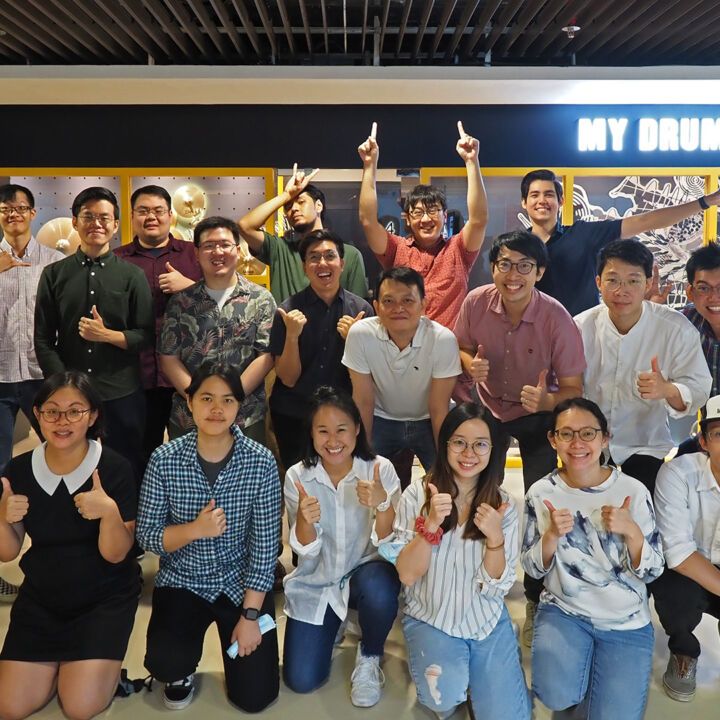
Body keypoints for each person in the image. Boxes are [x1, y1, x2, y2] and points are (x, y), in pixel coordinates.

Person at [454, 229, 585, 645]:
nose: (513, 274)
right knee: (475, 495)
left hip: (536, 418)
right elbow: (458, 346)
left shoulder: (556, 318)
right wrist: (468, 366)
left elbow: (574, 390)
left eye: (524, 266)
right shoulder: (476, 302)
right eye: (505, 264)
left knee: (540, 504)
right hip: (490, 411)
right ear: (492, 268)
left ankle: (536, 596)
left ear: (539, 272)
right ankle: (471, 580)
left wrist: (546, 401)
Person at [137, 361, 281, 712]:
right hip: (183, 579)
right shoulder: (164, 459)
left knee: (256, 696)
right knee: (166, 661)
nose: (216, 410)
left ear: (239, 406)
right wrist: (194, 530)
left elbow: (265, 548)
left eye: (227, 401)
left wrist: (250, 617)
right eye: (206, 399)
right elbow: (147, 535)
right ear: (189, 402)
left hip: (238, 581)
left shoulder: (260, 462)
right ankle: (180, 670)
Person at [0, 371, 140, 720]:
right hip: (42, 598)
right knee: (9, 706)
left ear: (92, 416)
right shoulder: (18, 469)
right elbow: (7, 551)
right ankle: (62, 666)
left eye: (75, 411)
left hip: (103, 599)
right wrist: (2, 517)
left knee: (79, 707)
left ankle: (88, 668)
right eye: (52, 411)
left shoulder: (114, 468)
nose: (62, 421)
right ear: (38, 414)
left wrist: (109, 513)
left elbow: (116, 554)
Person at [522, 397, 664, 720]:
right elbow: (531, 567)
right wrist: (550, 538)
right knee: (555, 694)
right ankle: (579, 670)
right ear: (552, 440)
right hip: (565, 612)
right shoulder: (541, 493)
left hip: (625, 621)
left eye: (588, 433)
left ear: (605, 438)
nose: (577, 444)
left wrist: (632, 533)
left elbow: (654, 569)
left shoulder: (634, 490)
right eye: (566, 434)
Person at [393, 403, 530, 719]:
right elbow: (407, 575)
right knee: (442, 700)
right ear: (444, 445)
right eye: (459, 442)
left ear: (494, 449)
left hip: (484, 620)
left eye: (480, 443)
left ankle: (482, 670)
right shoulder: (418, 494)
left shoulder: (504, 504)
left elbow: (498, 584)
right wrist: (429, 527)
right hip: (432, 617)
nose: (469, 452)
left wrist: (495, 538)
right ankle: (464, 675)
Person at [282, 386, 400, 707]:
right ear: (311, 433)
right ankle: (335, 620)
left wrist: (383, 503)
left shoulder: (379, 470)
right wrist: (304, 522)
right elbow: (304, 551)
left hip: (366, 573)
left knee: (381, 585)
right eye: (323, 431)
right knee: (301, 680)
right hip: (317, 582)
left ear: (357, 430)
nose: (333, 441)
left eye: (341, 430)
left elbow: (391, 547)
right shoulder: (298, 477)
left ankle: (370, 655)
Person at [34, 187, 154, 480]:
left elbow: (146, 336)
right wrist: (64, 384)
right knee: (73, 468)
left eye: (104, 217)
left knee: (127, 468)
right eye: (88, 216)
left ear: (115, 226)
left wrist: (108, 335)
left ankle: (127, 525)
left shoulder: (132, 275)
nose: (96, 224)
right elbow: (43, 339)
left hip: (121, 392)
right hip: (70, 398)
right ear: (74, 222)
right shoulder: (54, 274)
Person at [575, 239, 711, 494]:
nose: (621, 290)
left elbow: (699, 387)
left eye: (633, 281)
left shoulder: (675, 328)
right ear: (598, 283)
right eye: (612, 280)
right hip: (587, 446)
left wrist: (668, 389)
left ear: (648, 283)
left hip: (645, 446)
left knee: (641, 518)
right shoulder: (580, 327)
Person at [522, 168, 720, 316]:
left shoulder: (583, 234)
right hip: (535, 337)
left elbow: (644, 221)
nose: (542, 200)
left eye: (549, 194)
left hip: (581, 336)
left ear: (561, 201)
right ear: (524, 202)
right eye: (534, 195)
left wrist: (707, 201)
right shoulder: (518, 248)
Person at [358, 121, 488, 330]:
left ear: (444, 216)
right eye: (417, 213)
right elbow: (367, 220)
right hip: (401, 348)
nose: (426, 219)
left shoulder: (459, 249)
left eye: (433, 211)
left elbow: (479, 219)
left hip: (447, 350)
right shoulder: (396, 249)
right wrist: (369, 165)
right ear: (407, 219)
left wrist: (472, 162)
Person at [159, 216, 276, 445]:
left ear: (238, 250)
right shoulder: (181, 302)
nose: (217, 252)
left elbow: (266, 356)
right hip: (189, 418)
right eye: (209, 246)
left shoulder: (261, 299)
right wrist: (198, 399)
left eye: (225, 245)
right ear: (196, 253)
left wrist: (231, 398)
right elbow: (168, 358)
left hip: (246, 418)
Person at [0, 183, 63, 602]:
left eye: (21, 207)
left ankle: (59, 556)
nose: (14, 214)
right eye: (6, 208)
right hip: (0, 376)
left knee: (63, 462)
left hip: (43, 378)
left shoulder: (55, 264)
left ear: (34, 212)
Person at [342, 267, 460, 486]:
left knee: (447, 483)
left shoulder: (443, 339)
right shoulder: (360, 334)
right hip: (382, 418)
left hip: (428, 418)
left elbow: (438, 406)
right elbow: (363, 400)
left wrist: (444, 461)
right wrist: (363, 456)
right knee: (363, 478)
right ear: (376, 306)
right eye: (388, 301)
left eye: (408, 300)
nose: (398, 309)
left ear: (423, 305)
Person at [114, 184, 202, 469]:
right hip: (136, 375)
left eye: (158, 211)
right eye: (143, 211)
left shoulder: (194, 254)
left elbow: (221, 296)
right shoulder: (117, 260)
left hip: (188, 374)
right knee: (135, 452)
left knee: (191, 452)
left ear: (170, 216)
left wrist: (189, 287)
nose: (151, 217)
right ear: (132, 216)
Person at [270, 229, 372, 470]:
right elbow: (288, 378)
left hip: (343, 417)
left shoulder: (362, 311)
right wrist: (292, 336)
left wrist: (354, 341)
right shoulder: (287, 311)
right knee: (299, 483)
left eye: (330, 256)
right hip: (295, 414)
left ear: (342, 263)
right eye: (314, 257)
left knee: (344, 479)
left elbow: (371, 377)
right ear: (305, 266)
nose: (322, 263)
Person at [652, 393, 720, 702]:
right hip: (687, 568)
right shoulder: (677, 473)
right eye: (719, 434)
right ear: (703, 441)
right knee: (676, 596)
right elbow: (677, 553)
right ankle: (683, 653)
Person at [238, 167, 368, 303]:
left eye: (301, 202)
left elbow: (358, 308)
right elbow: (245, 226)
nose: (293, 209)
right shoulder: (280, 249)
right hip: (287, 324)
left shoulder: (350, 254)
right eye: (287, 207)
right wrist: (285, 195)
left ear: (318, 206)